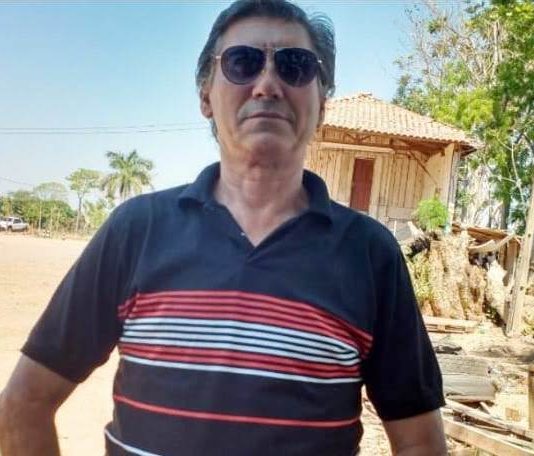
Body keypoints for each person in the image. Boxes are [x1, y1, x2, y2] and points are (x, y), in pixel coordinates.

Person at [0, 0, 447, 454]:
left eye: (294, 66)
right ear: (205, 96)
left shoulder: (369, 254)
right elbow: (23, 404)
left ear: (322, 104)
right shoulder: (136, 230)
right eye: (242, 62)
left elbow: (420, 443)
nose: (267, 85)